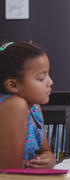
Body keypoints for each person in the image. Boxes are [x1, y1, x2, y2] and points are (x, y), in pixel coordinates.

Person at [0, 41, 56, 169]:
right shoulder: (14, 106)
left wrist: (49, 158)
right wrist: (31, 164)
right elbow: (8, 171)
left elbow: (44, 150)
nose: (50, 82)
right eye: (41, 78)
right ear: (13, 85)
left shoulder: (34, 108)